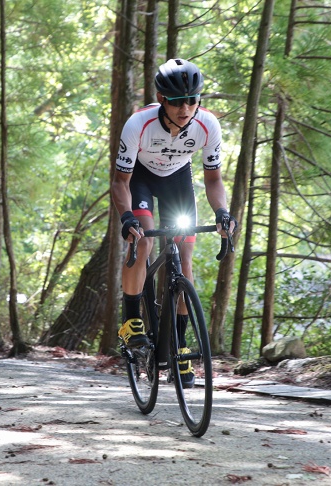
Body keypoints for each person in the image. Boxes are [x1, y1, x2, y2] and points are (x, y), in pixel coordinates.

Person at [111, 58, 235, 386]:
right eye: (178, 101)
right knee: (144, 239)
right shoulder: (138, 124)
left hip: (178, 179)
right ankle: (131, 322)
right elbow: (120, 182)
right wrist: (127, 219)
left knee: (185, 263)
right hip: (140, 179)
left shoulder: (207, 125)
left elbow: (213, 181)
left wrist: (223, 212)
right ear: (162, 98)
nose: (185, 108)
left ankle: (179, 346)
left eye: (192, 100)